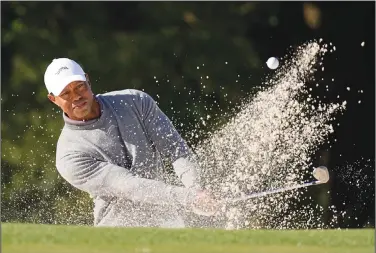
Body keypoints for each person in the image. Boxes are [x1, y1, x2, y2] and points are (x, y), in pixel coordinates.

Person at [44, 58, 220, 228]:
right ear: (53, 99)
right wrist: (188, 198)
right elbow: (128, 186)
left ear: (88, 81)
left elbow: (176, 149)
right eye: (66, 93)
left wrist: (197, 190)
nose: (76, 97)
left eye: (79, 87)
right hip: (117, 236)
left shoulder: (135, 101)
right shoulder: (69, 155)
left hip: (169, 224)